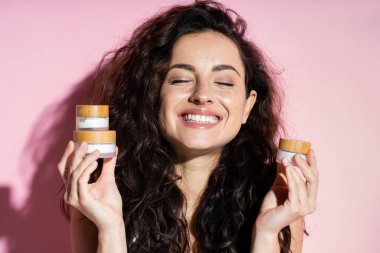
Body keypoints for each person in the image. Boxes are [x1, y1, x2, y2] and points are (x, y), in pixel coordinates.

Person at [57, 1, 318, 252]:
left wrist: (267, 233)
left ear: (247, 107)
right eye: (180, 79)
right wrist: (111, 227)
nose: (202, 95)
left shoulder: (277, 199)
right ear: (154, 96)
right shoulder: (100, 193)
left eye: (224, 83)